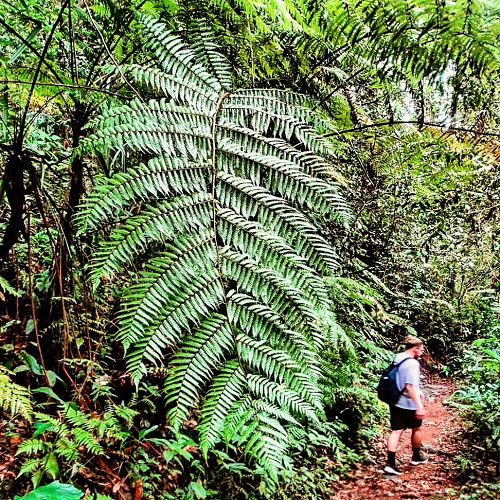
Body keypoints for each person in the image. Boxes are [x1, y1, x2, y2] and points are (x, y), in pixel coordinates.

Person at [384, 335, 428, 475]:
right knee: (416, 428)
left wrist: (418, 390)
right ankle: (416, 456)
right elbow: (409, 386)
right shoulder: (412, 363)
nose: (422, 352)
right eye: (421, 349)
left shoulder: (398, 357)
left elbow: (402, 379)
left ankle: (390, 463)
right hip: (408, 403)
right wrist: (419, 405)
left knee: (396, 431)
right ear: (415, 349)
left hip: (395, 400)